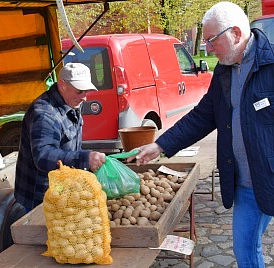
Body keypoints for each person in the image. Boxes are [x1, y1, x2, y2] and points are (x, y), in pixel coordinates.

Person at [128, 2, 274, 267]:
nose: (207, 48)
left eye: (211, 40)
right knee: (245, 251)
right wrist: (160, 145)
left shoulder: (272, 64)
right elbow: (202, 117)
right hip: (247, 185)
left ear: (236, 34)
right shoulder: (223, 71)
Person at [14, 62, 106, 211]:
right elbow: (43, 156)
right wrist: (84, 159)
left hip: (60, 189)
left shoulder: (71, 102)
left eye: (86, 91)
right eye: (79, 91)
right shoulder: (44, 114)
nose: (84, 97)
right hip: (40, 195)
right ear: (62, 84)